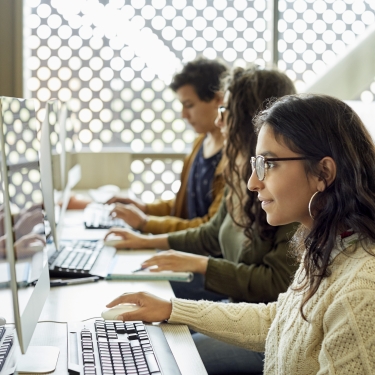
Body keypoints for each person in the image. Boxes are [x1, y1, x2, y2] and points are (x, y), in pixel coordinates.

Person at [106, 94, 375, 374]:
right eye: (255, 165)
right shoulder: (328, 245)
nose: (252, 182)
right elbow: (278, 320)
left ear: (324, 172)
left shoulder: (362, 290)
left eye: (268, 164)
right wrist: (172, 309)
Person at [105, 67, 298, 374]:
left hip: (266, 328)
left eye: (226, 109)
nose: (220, 119)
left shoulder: (288, 194)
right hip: (244, 310)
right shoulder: (242, 175)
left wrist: (197, 265)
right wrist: (147, 240)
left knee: (167, 354)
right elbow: (210, 232)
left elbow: (275, 288)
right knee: (155, 336)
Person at [107, 57, 228, 234]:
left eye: (189, 105)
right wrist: (144, 208)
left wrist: (146, 223)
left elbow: (210, 228)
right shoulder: (201, 142)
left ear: (218, 99)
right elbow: (185, 204)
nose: (184, 115)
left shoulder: (233, 156)